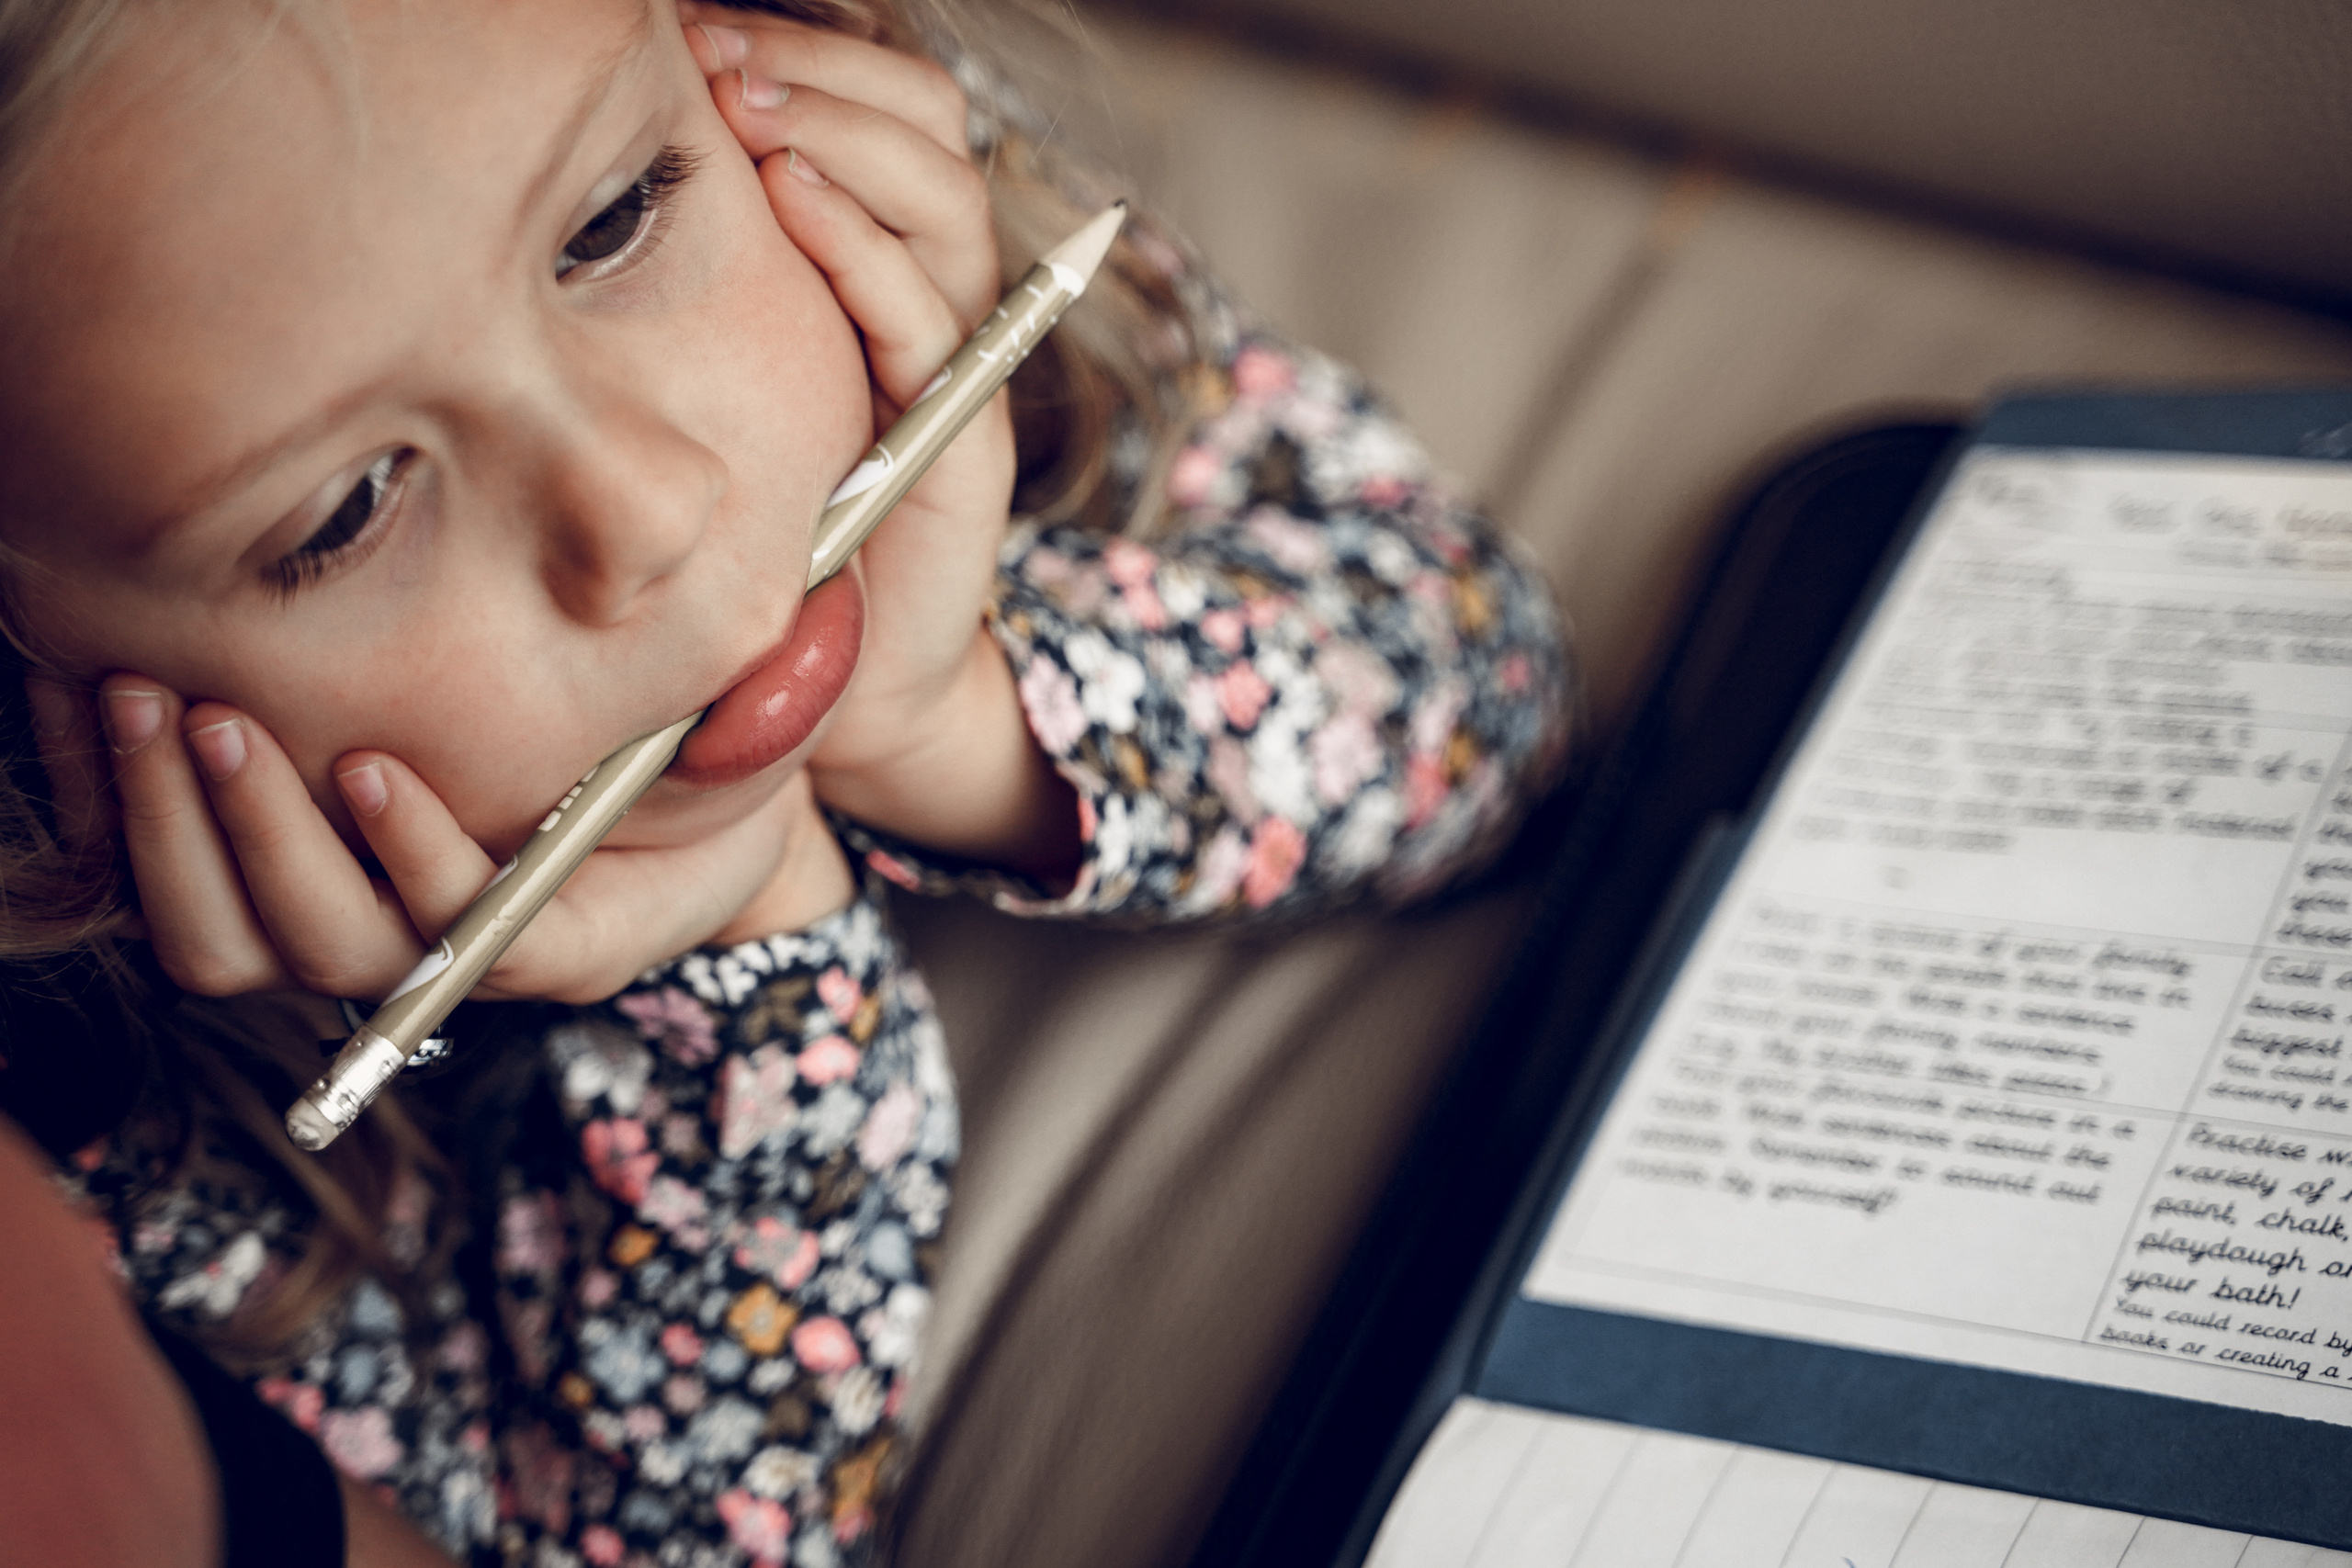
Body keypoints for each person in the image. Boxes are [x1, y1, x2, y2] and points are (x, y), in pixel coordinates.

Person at [0, 0, 1573, 1563]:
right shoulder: (94, 1164)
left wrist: (960, 720)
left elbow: (1480, 684)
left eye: (614, 222)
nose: (652, 507)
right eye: (343, 510)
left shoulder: (829, 179)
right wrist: (741, 945)